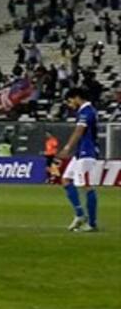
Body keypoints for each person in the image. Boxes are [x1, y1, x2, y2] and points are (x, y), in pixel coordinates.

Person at [57, 88, 100, 232]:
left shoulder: (87, 111)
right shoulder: (84, 111)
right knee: (66, 180)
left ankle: (92, 224)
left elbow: (79, 131)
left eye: (70, 101)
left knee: (87, 186)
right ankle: (80, 214)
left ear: (76, 97)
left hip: (87, 152)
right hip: (80, 153)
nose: (70, 105)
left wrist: (67, 147)